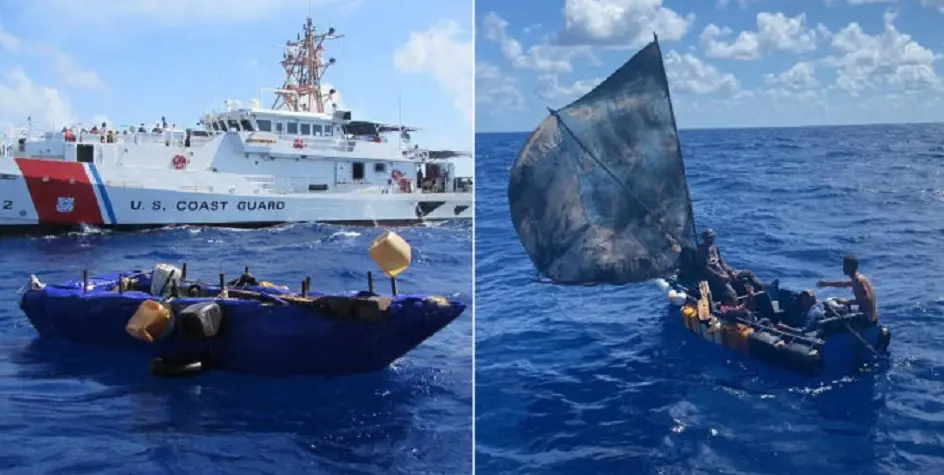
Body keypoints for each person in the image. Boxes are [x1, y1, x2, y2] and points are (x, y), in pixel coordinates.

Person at [696, 229, 764, 300]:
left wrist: (730, 271)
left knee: (748, 273)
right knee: (732, 294)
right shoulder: (700, 251)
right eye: (709, 237)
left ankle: (763, 287)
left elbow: (721, 261)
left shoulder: (714, 247)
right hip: (714, 278)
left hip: (723, 272)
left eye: (713, 237)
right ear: (704, 238)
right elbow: (705, 269)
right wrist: (720, 276)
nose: (712, 239)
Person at [816, 254, 877, 323]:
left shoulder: (857, 281)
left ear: (850, 267)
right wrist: (827, 284)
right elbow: (844, 284)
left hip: (867, 318)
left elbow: (866, 303)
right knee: (837, 302)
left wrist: (846, 303)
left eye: (845, 265)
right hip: (870, 315)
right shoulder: (859, 277)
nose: (843, 268)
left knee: (834, 307)